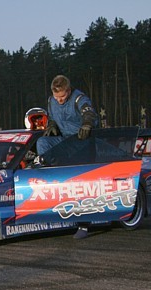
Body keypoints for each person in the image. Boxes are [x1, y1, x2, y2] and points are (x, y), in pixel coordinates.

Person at [38, 75, 98, 240]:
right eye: (57, 97)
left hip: (81, 141)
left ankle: (84, 224)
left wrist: (87, 124)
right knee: (42, 142)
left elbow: (89, 112)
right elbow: (52, 118)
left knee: (81, 182)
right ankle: (53, 174)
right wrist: (51, 125)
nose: (60, 100)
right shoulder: (52, 101)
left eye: (63, 96)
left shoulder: (79, 98)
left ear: (69, 91)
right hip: (65, 141)